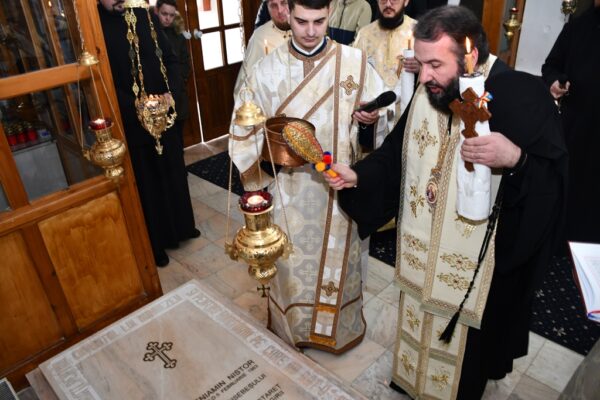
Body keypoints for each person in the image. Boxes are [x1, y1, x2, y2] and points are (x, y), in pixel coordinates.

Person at [324, 6, 567, 399]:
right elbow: (396, 152)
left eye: (435, 64)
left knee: (464, 369)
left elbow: (554, 184)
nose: (423, 77)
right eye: (421, 64)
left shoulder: (520, 96)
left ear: (470, 57)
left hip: (478, 271)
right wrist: (359, 175)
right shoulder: (432, 92)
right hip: (422, 255)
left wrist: (516, 160)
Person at [229, 0, 387, 353]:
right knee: (292, 264)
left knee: (340, 264)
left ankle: (336, 330)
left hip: (338, 189)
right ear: (287, 13)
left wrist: (370, 122)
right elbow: (243, 131)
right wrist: (267, 164)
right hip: (288, 192)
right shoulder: (266, 69)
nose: (311, 31)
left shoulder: (355, 64)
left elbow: (382, 130)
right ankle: (294, 329)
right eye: (301, 21)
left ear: (330, 11)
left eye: (319, 21)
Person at [98, 0, 200, 267]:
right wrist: (136, 106)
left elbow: (171, 59)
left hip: (164, 114)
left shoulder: (144, 16)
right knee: (148, 182)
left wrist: (170, 93)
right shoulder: (96, 26)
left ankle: (183, 227)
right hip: (133, 121)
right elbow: (102, 79)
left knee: (174, 172)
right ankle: (157, 244)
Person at [541, 0, 600, 251]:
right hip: (574, 130)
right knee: (568, 193)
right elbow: (551, 65)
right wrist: (555, 81)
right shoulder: (578, 26)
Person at [353, 0, 419, 127]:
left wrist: (421, 68)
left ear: (406, 1)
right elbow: (355, 76)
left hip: (407, 116)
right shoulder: (364, 34)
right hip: (373, 117)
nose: (388, 4)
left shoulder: (419, 32)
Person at [153, 0, 192, 144]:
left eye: (171, 15)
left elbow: (185, 63)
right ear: (156, 11)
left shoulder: (178, 35)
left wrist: (178, 82)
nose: (167, 18)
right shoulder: (148, 34)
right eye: (164, 14)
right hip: (156, 96)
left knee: (178, 138)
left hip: (177, 94)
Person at [234, 0, 291, 95]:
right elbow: (245, 85)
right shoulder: (259, 37)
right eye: (273, 5)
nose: (280, 10)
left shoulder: (310, 30)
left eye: (284, 2)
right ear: (267, 8)